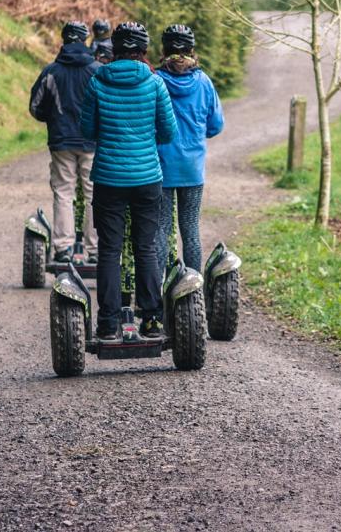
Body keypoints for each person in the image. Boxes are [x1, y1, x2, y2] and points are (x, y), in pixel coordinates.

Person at [80, 21, 176, 342]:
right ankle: (151, 320)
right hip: (147, 178)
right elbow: (168, 132)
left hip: (108, 178)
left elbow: (87, 130)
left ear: (115, 50)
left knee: (109, 250)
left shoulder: (97, 82)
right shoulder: (155, 83)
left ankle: (108, 323)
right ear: (144, 51)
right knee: (145, 247)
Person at [154, 24, 224, 275]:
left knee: (161, 228)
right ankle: (194, 290)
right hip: (192, 168)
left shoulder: (156, 80)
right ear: (192, 50)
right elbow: (216, 125)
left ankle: (160, 290)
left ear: (164, 49)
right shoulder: (204, 82)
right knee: (190, 228)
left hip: (161, 166)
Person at [29, 20, 100, 264]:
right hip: (92, 142)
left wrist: (53, 119)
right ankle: (95, 249)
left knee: (63, 192)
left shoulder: (51, 71)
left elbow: (35, 107)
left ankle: (63, 248)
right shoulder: (97, 70)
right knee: (94, 194)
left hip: (61, 141)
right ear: (85, 40)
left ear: (64, 40)